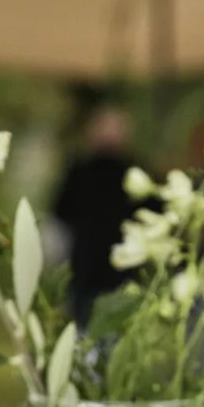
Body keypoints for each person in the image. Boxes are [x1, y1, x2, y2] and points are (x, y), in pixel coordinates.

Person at [51, 103, 139, 330]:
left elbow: (60, 212)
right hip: (119, 268)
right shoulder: (133, 173)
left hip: (86, 265)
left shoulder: (79, 172)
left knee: (84, 326)